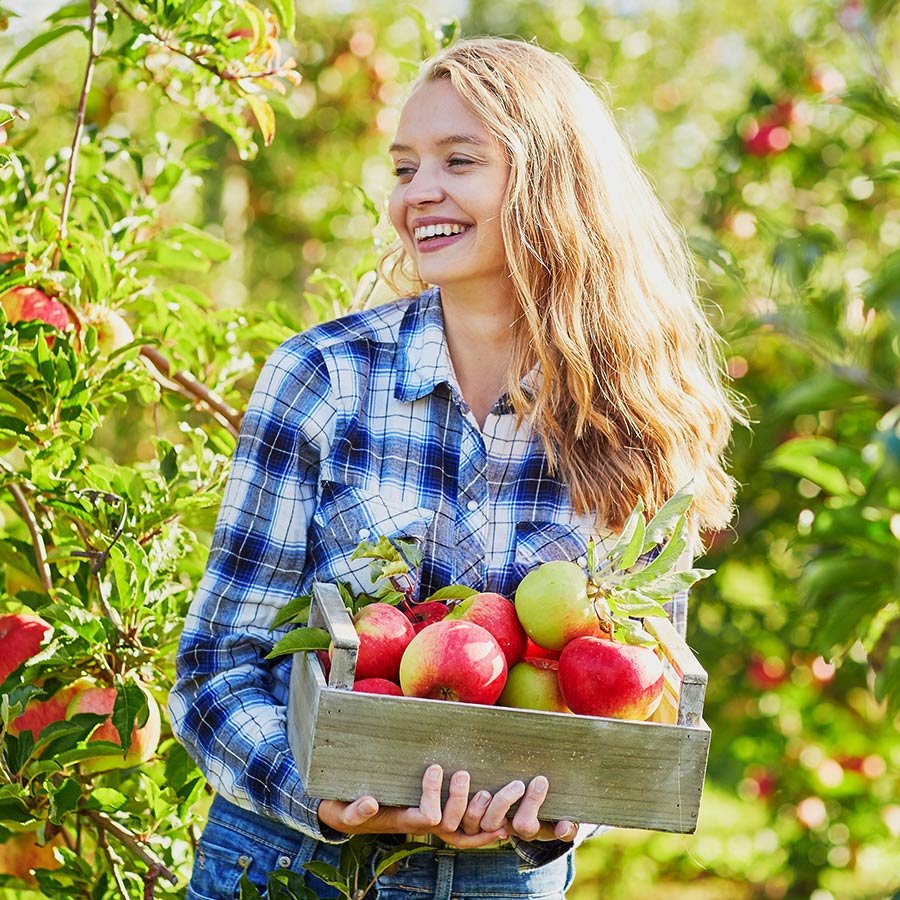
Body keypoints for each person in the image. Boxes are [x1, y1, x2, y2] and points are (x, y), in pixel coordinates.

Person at [169, 36, 743, 900]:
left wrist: (558, 814)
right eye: (404, 168)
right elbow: (216, 666)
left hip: (498, 884)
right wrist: (325, 794)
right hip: (292, 868)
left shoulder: (638, 420)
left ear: (552, 183)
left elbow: (635, 701)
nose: (417, 193)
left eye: (458, 160)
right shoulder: (325, 382)